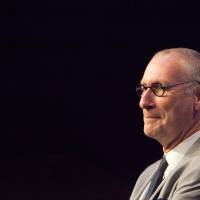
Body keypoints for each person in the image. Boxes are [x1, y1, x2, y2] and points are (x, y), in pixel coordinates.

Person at [129, 48, 200, 200]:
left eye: (158, 88)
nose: (143, 102)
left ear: (197, 97)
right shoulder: (148, 175)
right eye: (143, 89)